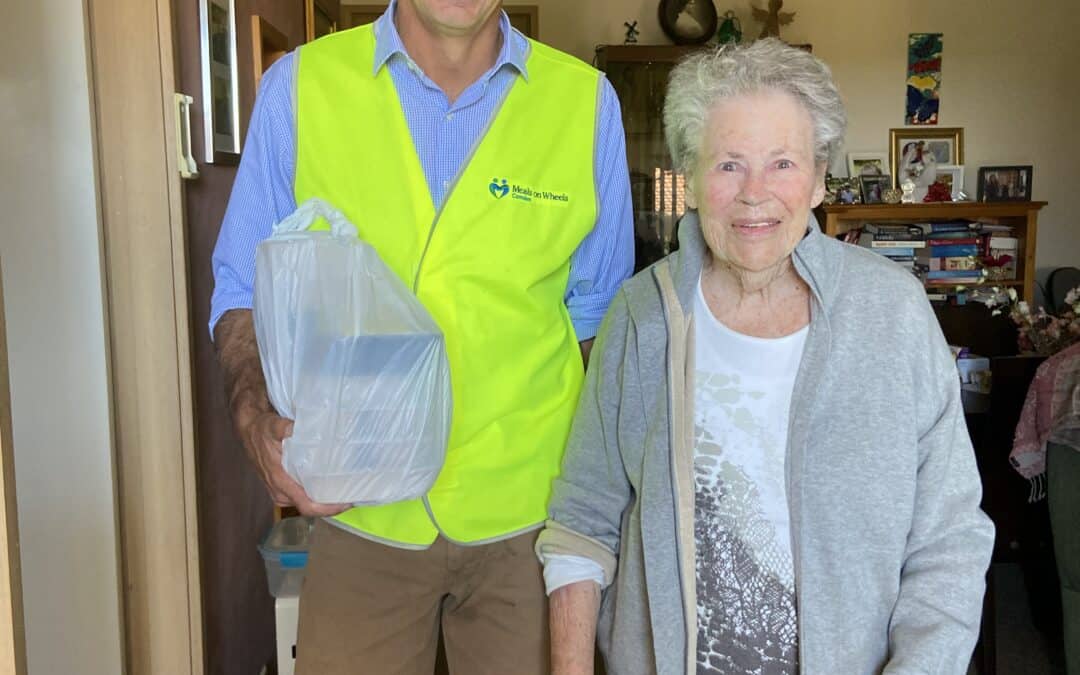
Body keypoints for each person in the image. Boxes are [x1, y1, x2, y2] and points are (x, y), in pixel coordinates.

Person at [537, 38, 994, 675]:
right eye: (728, 164)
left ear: (816, 178)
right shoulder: (642, 315)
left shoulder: (892, 313)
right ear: (690, 179)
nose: (756, 194)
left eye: (782, 163)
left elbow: (949, 537)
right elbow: (583, 521)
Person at [209, 1, 634, 672]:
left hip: (528, 518)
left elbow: (598, 325)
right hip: (360, 509)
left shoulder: (585, 105)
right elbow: (240, 288)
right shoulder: (300, 87)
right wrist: (254, 416)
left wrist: (591, 518)